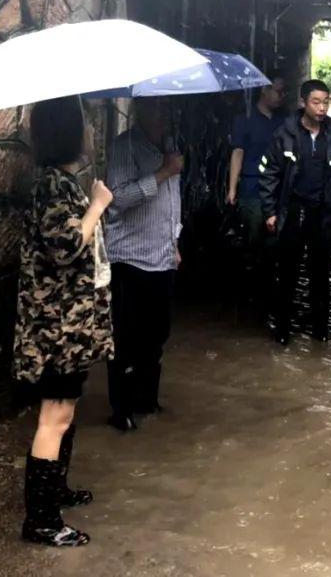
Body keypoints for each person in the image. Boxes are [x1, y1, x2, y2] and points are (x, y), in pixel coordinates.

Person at [15, 95, 114, 547]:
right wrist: (96, 207)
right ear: (69, 133)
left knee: (66, 412)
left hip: (69, 328)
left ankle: (55, 492)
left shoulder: (61, 183)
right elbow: (67, 248)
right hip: (56, 331)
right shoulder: (54, 187)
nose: (92, 131)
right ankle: (41, 521)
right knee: (54, 415)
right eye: (85, 123)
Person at [104, 97, 183, 432]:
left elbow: (173, 202)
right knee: (125, 338)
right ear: (140, 111)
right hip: (130, 258)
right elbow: (118, 198)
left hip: (162, 256)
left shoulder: (171, 147)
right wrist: (163, 172)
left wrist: (175, 241)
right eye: (157, 108)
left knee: (156, 334)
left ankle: (147, 401)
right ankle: (121, 410)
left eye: (167, 108)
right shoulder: (124, 148)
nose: (164, 114)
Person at [259, 79, 331, 344]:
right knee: (288, 273)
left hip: (324, 215)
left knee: (320, 275)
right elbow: (269, 174)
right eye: (316, 102)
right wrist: (270, 211)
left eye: (326, 102)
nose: (322, 108)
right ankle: (282, 332)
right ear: (303, 102)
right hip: (293, 213)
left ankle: (320, 333)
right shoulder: (285, 134)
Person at [226, 74, 287, 296]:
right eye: (278, 91)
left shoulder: (284, 121)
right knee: (253, 236)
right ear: (264, 90)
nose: (282, 97)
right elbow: (238, 152)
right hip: (252, 187)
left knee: (275, 241)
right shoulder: (246, 119)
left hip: (278, 190)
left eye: (284, 92)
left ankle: (267, 287)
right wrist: (232, 188)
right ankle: (250, 288)